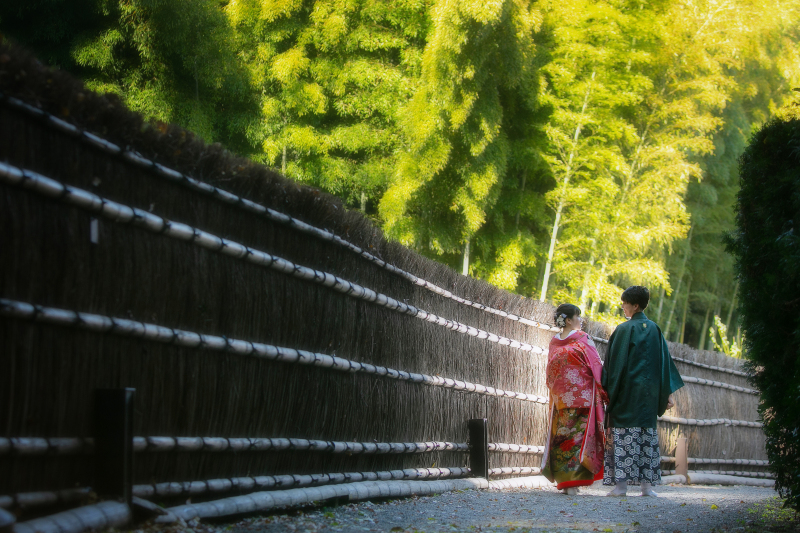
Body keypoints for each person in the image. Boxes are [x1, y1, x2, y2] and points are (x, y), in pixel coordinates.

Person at [602, 286, 684, 497]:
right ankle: (646, 488)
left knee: (623, 436)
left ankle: (621, 487)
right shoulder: (655, 329)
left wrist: (608, 389)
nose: (622, 306)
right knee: (646, 437)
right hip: (648, 395)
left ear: (635, 305)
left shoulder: (624, 330)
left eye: (625, 303)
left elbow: (614, 366)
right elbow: (664, 364)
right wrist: (666, 393)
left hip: (626, 395)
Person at [542, 303, 608, 495]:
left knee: (563, 438)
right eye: (578, 317)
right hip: (583, 398)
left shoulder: (554, 342)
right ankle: (571, 483)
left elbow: (551, 371)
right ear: (569, 320)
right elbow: (596, 365)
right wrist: (603, 390)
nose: (581, 320)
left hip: (561, 398)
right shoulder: (583, 338)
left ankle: (566, 482)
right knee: (576, 439)